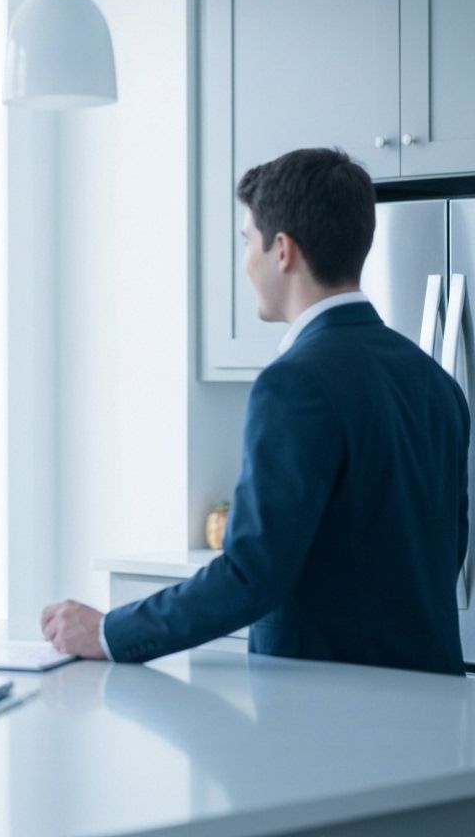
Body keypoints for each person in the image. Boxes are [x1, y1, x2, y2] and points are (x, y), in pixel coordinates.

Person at [42, 147, 470, 675]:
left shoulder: (294, 382)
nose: (246, 262)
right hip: (434, 704)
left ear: (283, 250)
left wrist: (108, 631)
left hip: (330, 713)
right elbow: (445, 555)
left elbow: (251, 575)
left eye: (248, 242)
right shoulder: (436, 382)